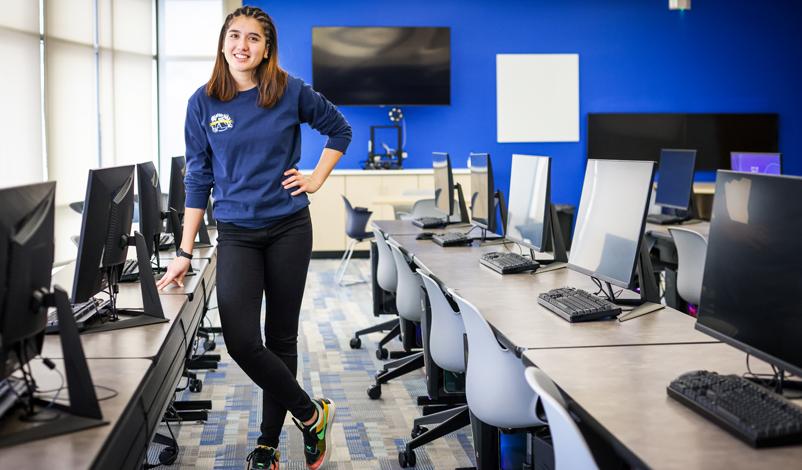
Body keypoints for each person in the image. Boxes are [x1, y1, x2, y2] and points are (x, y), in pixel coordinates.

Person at [156, 6, 351, 470]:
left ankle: (268, 444)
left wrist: (317, 178)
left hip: (288, 227)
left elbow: (339, 129)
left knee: (280, 337)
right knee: (241, 339)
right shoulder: (202, 102)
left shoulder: (290, 91)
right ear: (223, 41)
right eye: (234, 35)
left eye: (254, 39)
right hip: (238, 232)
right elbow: (198, 177)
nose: (242, 45)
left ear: (267, 49)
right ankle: (311, 414)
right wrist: (184, 251)